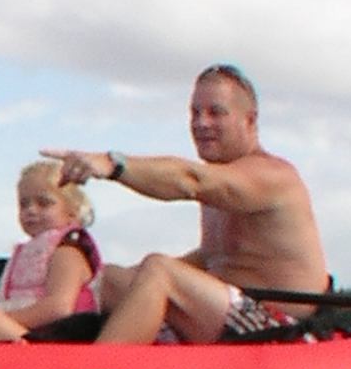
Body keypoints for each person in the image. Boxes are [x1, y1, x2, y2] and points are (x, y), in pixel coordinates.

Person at [47, 65, 328, 344]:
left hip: (277, 324)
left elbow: (190, 179)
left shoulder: (272, 175)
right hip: (223, 310)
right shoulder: (220, 179)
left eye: (216, 112)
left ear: (250, 120)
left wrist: (112, 163)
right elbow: (213, 256)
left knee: (160, 271)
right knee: (111, 279)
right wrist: (132, 279)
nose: (201, 123)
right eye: (195, 113)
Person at [0, 160, 105, 342]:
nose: (31, 210)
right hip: (30, 334)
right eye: (24, 204)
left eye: (44, 203)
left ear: (72, 212)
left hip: (59, 339)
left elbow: (59, 307)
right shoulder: (31, 251)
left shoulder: (68, 251)